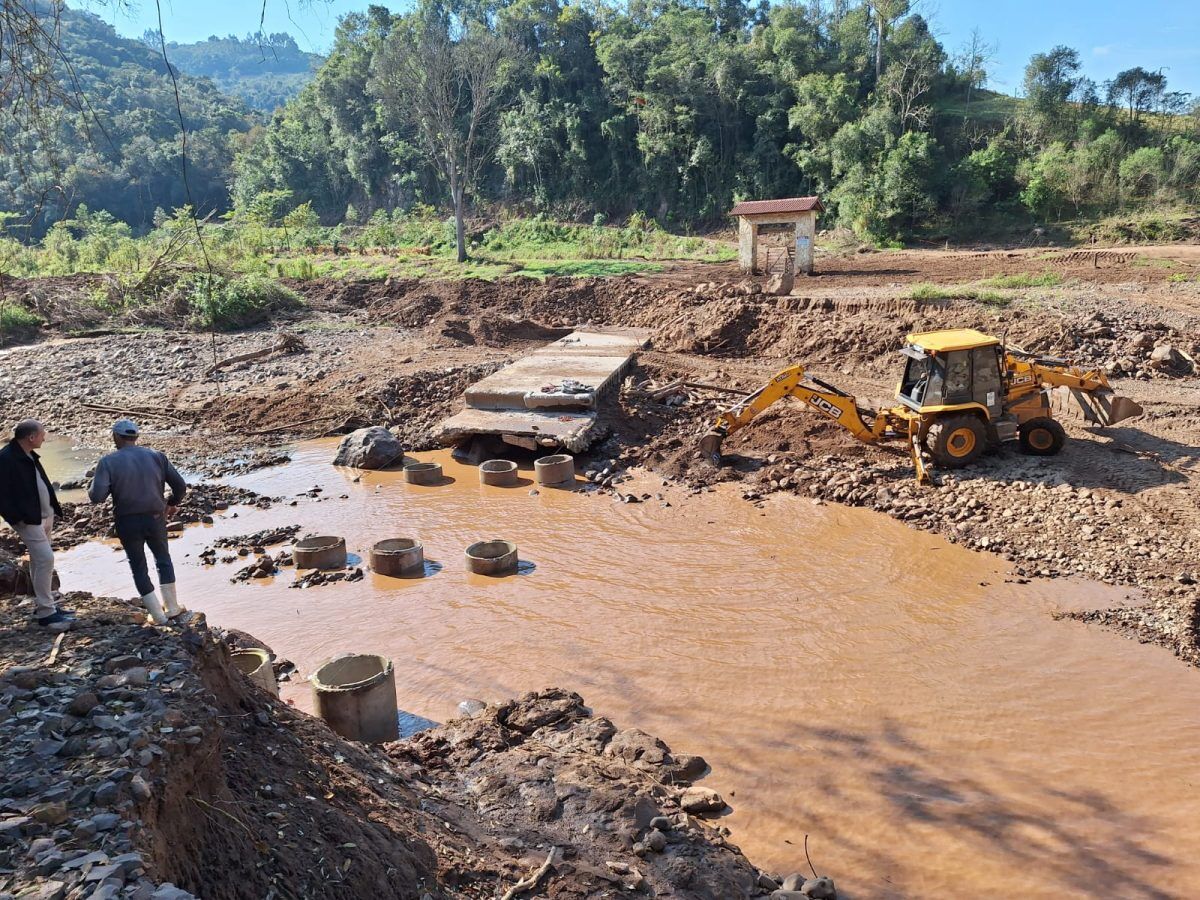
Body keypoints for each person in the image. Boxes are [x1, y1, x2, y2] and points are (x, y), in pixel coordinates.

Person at [89, 419, 188, 625]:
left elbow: (97, 496)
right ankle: (172, 608)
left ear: (116, 437)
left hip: (127, 521)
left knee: (138, 566)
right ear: (136, 437)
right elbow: (179, 485)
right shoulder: (157, 456)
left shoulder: (108, 462)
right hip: (155, 517)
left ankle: (158, 617)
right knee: (163, 559)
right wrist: (172, 503)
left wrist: (92, 483)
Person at [0, 419, 73, 629]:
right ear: (31, 437)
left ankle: (46, 603)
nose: (45, 437)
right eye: (42, 434)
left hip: (43, 516)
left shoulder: (27, 453)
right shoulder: (6, 458)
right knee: (45, 559)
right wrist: (16, 518)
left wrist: (51, 510)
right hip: (28, 519)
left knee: (38, 561)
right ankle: (46, 614)